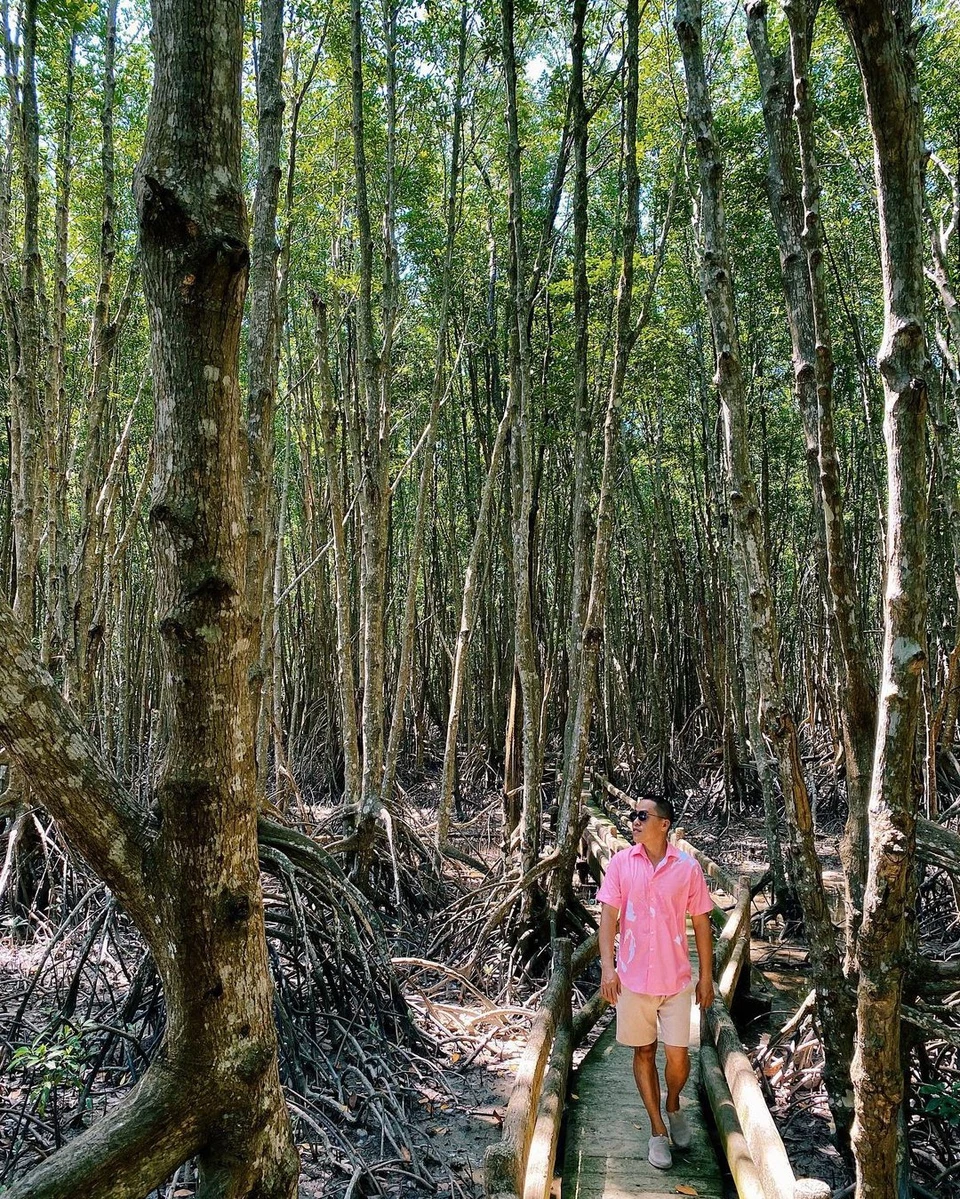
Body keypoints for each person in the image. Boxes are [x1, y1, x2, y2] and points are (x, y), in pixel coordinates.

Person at [597, 795, 715, 1171]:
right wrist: (607, 968)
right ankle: (657, 1129)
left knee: (679, 1058)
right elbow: (608, 919)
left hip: (676, 980)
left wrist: (707, 977)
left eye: (642, 816)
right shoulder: (621, 863)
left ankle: (674, 1103)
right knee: (643, 1052)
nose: (633, 821)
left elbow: (701, 924)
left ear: (664, 824)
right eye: (632, 815)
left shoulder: (687, 867)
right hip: (632, 979)